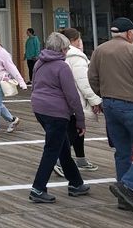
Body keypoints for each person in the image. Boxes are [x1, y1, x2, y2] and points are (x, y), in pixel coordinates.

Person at [28, 31, 90, 203]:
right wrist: (80, 120)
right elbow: (72, 96)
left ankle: (76, 183)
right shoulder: (62, 67)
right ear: (62, 49)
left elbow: (34, 85)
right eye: (66, 48)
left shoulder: (39, 62)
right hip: (57, 112)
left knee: (62, 147)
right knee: (52, 150)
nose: (67, 51)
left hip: (40, 109)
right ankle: (38, 188)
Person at [88, 16, 133, 214]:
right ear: (129, 33)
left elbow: (92, 78)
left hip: (109, 105)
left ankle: (124, 198)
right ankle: (127, 185)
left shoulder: (99, 50)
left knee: (122, 151)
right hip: (132, 105)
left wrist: (104, 95)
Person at [53, 27, 101, 175]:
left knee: (77, 129)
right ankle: (59, 160)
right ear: (74, 41)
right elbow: (84, 82)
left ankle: (81, 158)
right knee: (74, 131)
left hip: (60, 99)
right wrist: (95, 100)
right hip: (75, 99)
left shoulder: (58, 53)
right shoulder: (77, 57)